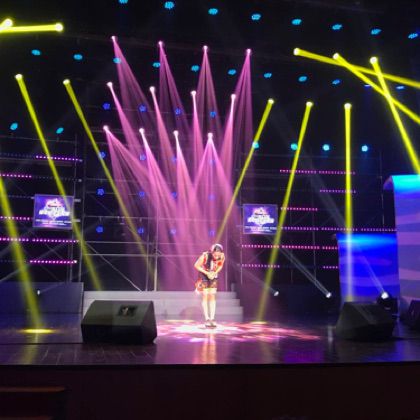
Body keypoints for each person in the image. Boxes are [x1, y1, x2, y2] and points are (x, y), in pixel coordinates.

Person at [194, 243, 225, 328]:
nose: (217, 256)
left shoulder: (222, 256)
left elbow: (220, 265)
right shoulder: (205, 256)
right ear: (212, 252)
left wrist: (215, 272)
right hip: (204, 274)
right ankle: (207, 319)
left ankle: (212, 318)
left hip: (213, 274)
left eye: (218, 254)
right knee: (206, 295)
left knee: (212, 295)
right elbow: (196, 265)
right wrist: (207, 273)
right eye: (215, 254)